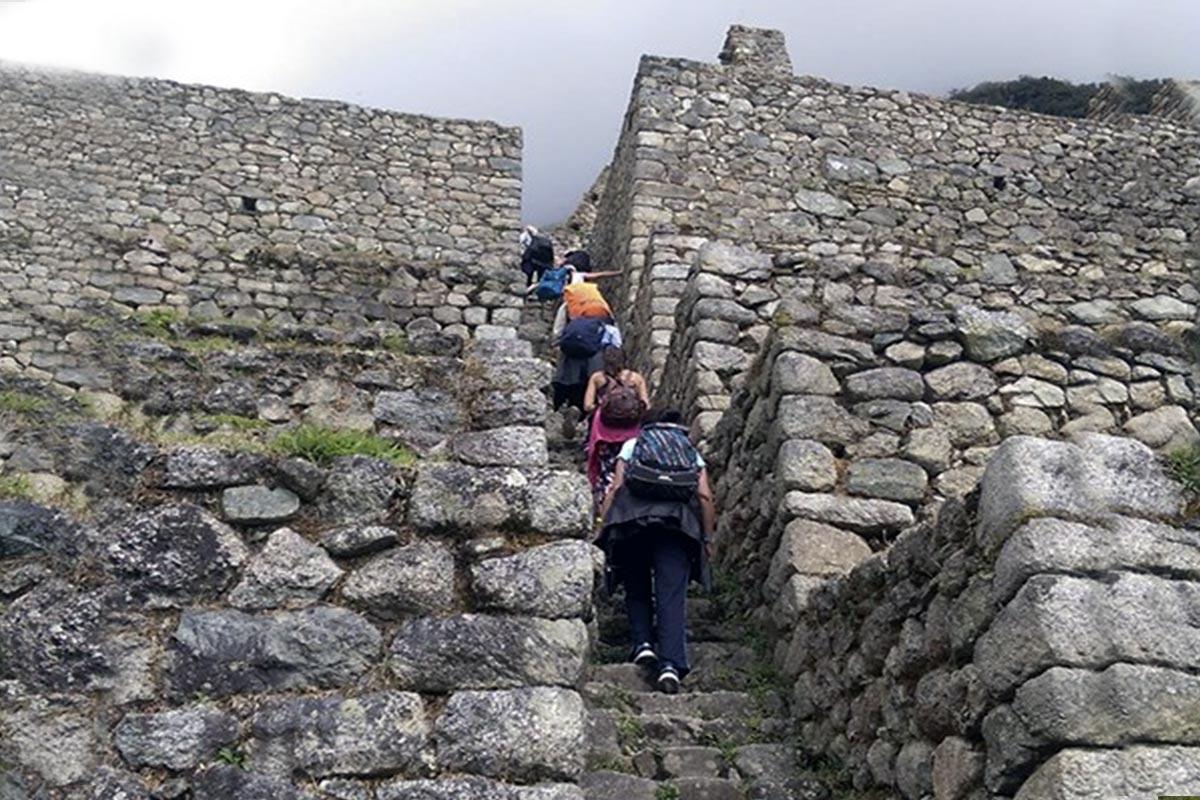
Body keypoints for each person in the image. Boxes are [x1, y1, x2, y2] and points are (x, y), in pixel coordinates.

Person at [597, 410, 716, 694]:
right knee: (671, 594)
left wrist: (602, 525)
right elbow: (704, 495)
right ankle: (671, 665)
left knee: (635, 583)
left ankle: (643, 644)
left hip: (632, 522)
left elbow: (616, 487)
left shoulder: (633, 445)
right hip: (677, 526)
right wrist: (708, 536)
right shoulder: (689, 450)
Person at [583, 347, 650, 509]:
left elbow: (587, 405)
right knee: (627, 463)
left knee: (605, 468)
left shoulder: (598, 378)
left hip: (604, 431)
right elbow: (646, 406)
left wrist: (603, 407)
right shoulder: (636, 379)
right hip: (631, 431)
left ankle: (603, 503)